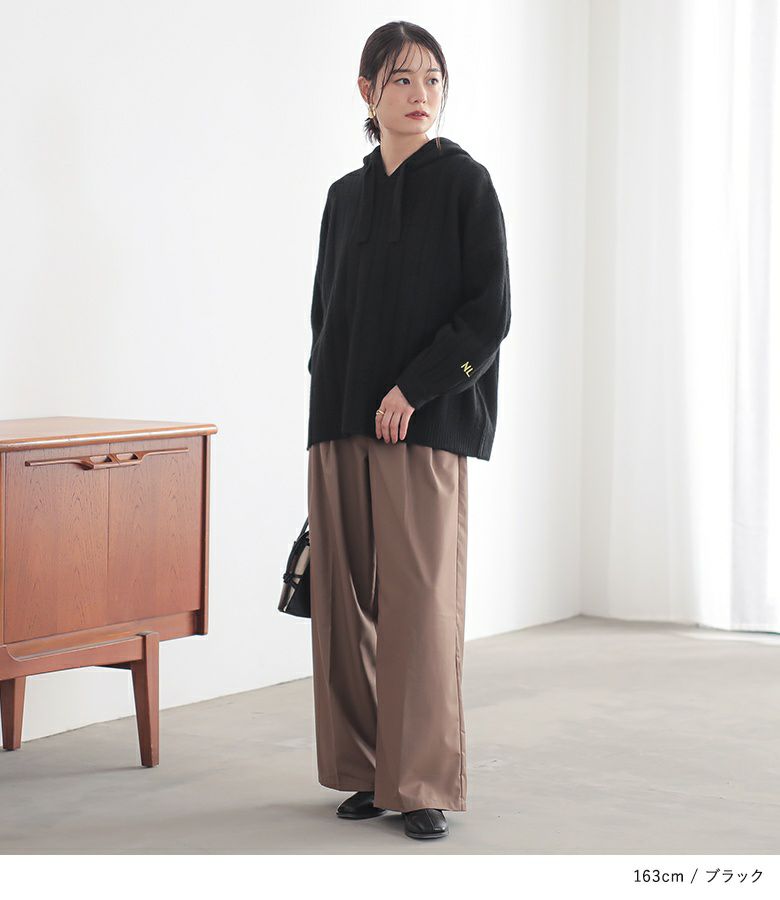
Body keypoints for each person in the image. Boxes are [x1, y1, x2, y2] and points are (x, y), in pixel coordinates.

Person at [306, 20, 511, 841]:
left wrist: (413, 390)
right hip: (338, 422)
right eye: (401, 79)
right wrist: (328, 409)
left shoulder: (466, 184)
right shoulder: (343, 198)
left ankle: (420, 780)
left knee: (421, 607)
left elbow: (488, 315)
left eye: (432, 79)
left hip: (422, 428)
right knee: (343, 603)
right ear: (367, 92)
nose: (421, 94)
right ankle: (366, 771)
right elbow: (324, 314)